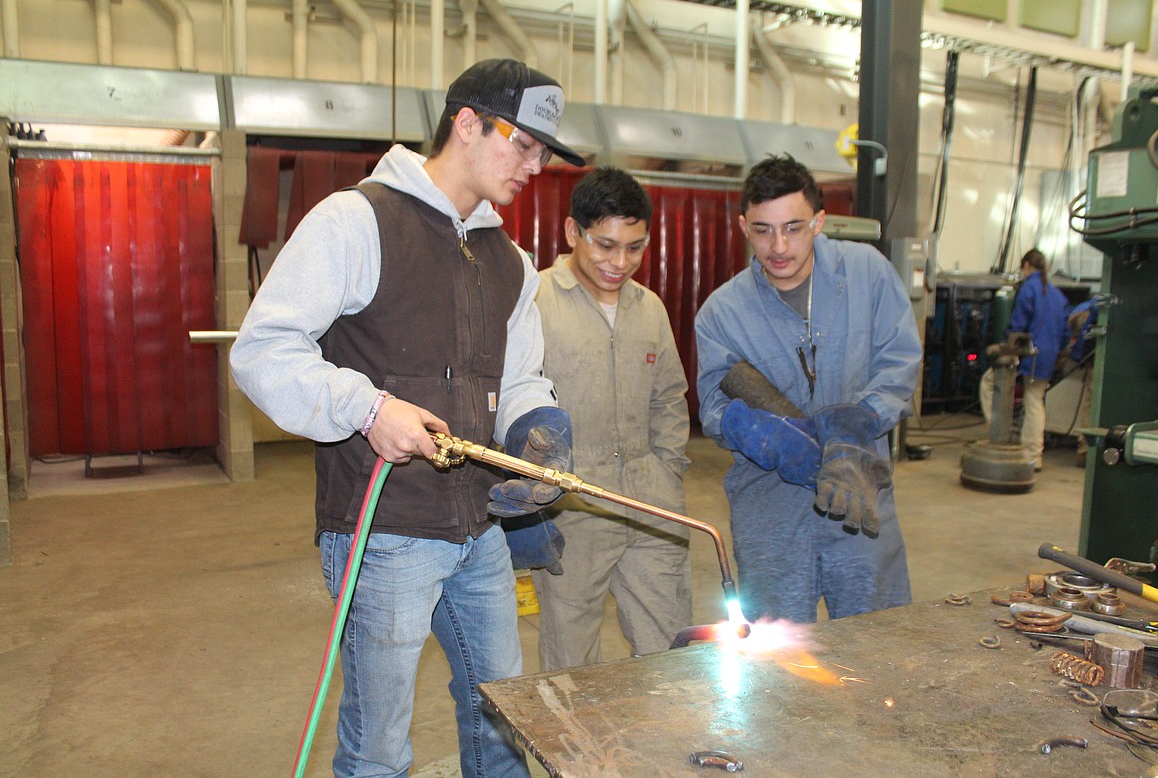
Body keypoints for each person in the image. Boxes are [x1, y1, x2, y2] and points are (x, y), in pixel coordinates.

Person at [229, 58, 585, 778]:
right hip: (383, 531)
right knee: (379, 747)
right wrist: (368, 408)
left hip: (477, 528)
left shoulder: (511, 262)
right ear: (466, 123)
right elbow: (261, 350)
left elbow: (517, 378)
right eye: (523, 143)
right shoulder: (356, 222)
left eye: (545, 153)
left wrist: (537, 426)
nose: (535, 166)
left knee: (503, 714)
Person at [694, 153, 921, 625]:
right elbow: (714, 405)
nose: (779, 246)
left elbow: (899, 363)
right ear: (743, 226)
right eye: (763, 230)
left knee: (878, 640)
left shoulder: (869, 274)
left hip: (859, 494)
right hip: (769, 508)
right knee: (777, 659)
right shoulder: (722, 313)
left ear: (819, 221)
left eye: (794, 227)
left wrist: (857, 424)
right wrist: (752, 429)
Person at [529, 167, 692, 669]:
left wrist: (667, 472)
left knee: (672, 651)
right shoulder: (533, 302)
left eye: (635, 247)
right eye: (605, 245)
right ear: (572, 232)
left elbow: (669, 397)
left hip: (653, 506)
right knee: (571, 659)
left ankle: (666, 748)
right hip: (570, 507)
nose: (620, 262)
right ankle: (575, 750)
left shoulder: (650, 309)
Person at [978, 249, 1069, 472]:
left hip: (1029, 354)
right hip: (1048, 355)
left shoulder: (1029, 288)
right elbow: (1065, 331)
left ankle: (1004, 436)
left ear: (1026, 265)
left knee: (990, 385)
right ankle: (1032, 453)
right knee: (1035, 398)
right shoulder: (1057, 294)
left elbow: (1018, 325)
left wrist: (1004, 348)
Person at [1064, 295, 1102, 467]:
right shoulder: (1096, 306)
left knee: (1091, 404)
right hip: (1098, 362)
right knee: (1093, 404)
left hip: (1094, 362)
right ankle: (1087, 451)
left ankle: (1085, 450)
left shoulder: (1090, 305)